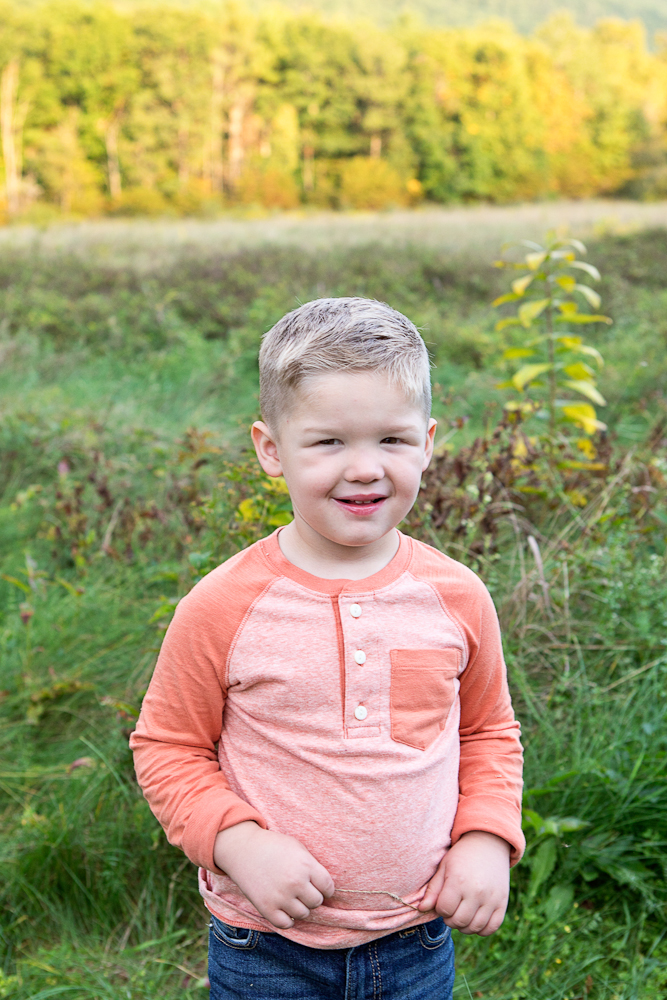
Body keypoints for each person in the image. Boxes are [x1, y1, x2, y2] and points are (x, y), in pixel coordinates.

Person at [130, 297, 524, 1000]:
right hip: (265, 947)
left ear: (428, 443)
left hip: (416, 939)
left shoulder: (457, 597)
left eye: (392, 439)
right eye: (328, 442)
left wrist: (486, 838)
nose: (365, 468)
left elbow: (487, 732)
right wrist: (239, 845)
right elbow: (168, 747)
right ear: (270, 450)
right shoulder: (223, 606)